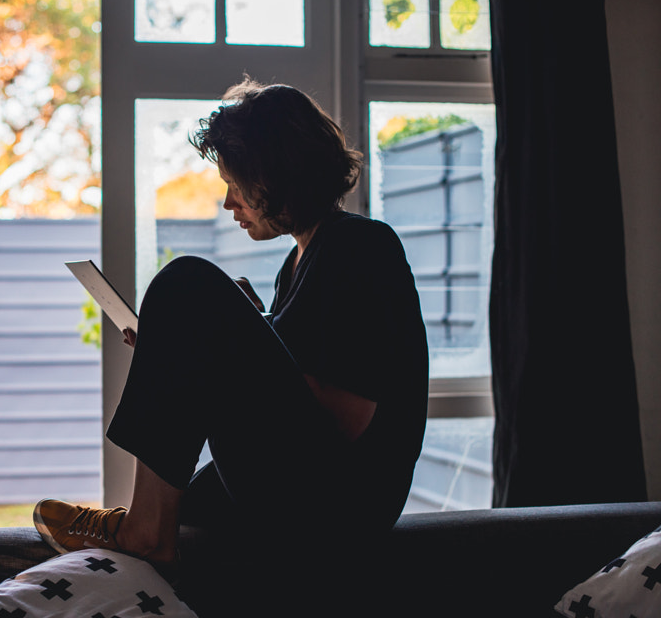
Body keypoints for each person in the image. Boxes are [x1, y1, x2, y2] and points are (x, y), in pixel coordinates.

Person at [33, 78, 429, 573]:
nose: (228, 203)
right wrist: (216, 344)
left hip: (341, 507)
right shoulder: (298, 265)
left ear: (277, 175)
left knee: (186, 282)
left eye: (235, 185)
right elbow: (297, 376)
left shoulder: (361, 248)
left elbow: (346, 420)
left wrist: (228, 349)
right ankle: (146, 522)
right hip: (312, 488)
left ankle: (144, 531)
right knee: (192, 489)